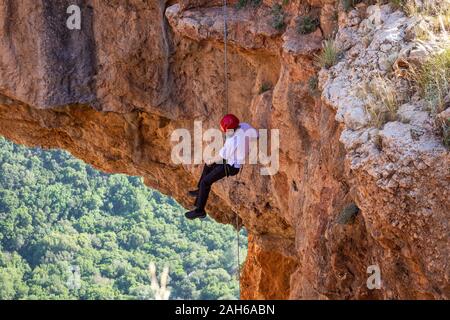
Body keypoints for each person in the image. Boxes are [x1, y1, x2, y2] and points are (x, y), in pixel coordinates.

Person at [185, 114, 257, 220]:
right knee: (208, 166)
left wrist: (211, 160)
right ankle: (200, 191)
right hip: (230, 160)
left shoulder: (233, 140)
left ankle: (200, 211)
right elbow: (255, 134)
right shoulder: (244, 126)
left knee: (206, 181)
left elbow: (223, 155)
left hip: (231, 166)